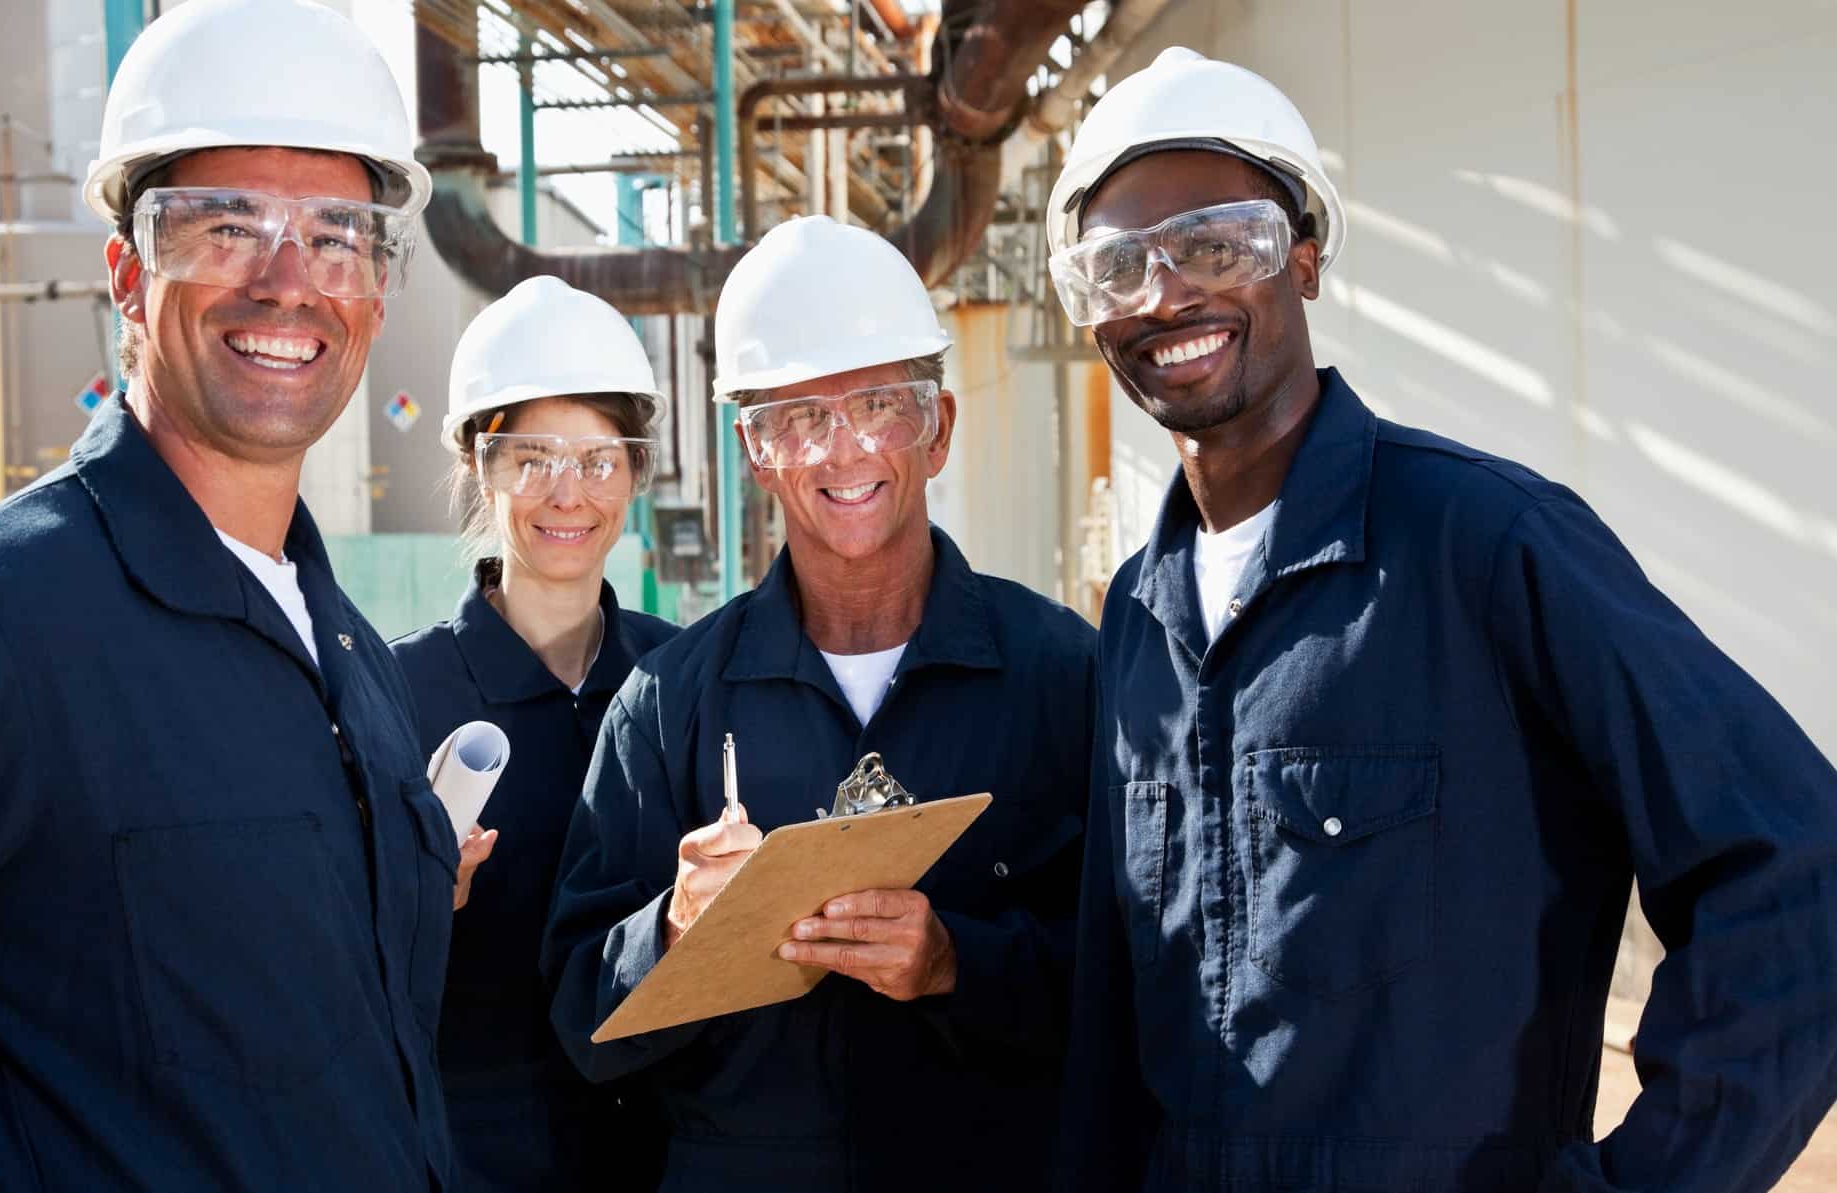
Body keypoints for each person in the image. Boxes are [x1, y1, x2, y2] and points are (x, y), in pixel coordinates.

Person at [1052, 46, 1837, 1192]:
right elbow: (1116, 1022)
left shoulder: (1486, 542)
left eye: (1219, 244)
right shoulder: (1137, 614)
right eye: (1120, 266)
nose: (1167, 295)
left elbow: (1793, 864)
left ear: (1305, 258)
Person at [0, 1, 464, 1189]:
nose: (288, 280)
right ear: (126, 273)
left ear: (376, 287)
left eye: (337, 236)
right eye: (226, 226)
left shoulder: (351, 656)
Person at [543, 214, 1096, 1191]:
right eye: (800, 416)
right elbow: (580, 1020)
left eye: (881, 403)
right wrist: (674, 926)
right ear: (755, 449)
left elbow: (1145, 978)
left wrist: (956, 960)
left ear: (940, 427)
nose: (845, 451)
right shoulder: (667, 706)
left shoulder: (1062, 678)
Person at [391, 276, 677, 1191]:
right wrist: (418, 897)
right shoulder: (394, 693)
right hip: (475, 1157)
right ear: (481, 464)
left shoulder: (682, 679)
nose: (568, 493)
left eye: (598, 459)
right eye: (532, 457)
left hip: (666, 1149)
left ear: (635, 470)